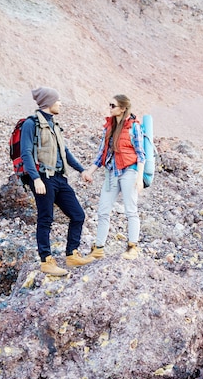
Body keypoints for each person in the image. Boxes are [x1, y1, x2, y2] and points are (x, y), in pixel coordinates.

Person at [21, 87, 94, 276]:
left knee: (78, 215)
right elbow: (26, 153)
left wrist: (81, 170)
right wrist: (35, 179)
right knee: (46, 219)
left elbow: (66, 152)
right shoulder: (31, 124)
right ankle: (46, 261)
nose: (60, 103)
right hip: (43, 178)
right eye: (58, 100)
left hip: (60, 178)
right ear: (48, 102)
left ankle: (72, 254)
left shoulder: (55, 125)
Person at [82, 94, 145, 260]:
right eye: (109, 105)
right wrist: (90, 171)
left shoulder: (134, 127)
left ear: (123, 108)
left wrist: (139, 178)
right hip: (111, 172)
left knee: (131, 210)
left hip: (129, 171)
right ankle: (99, 248)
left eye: (113, 105)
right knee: (103, 210)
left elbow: (140, 154)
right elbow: (101, 153)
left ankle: (133, 247)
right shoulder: (108, 126)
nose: (110, 108)